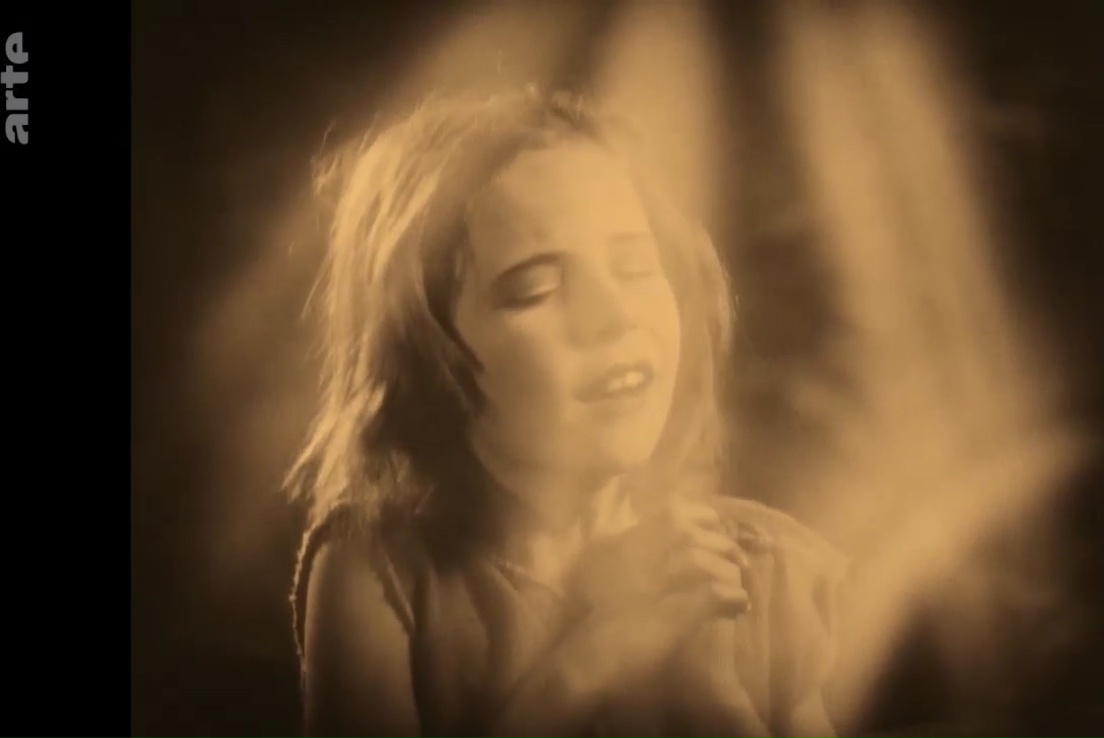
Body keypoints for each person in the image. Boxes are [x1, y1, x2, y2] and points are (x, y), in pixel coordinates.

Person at [286, 88, 848, 738]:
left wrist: (714, 697)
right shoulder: (381, 571)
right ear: (424, 354)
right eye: (536, 287)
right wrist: (601, 654)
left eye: (635, 266)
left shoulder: (754, 569)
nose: (614, 315)